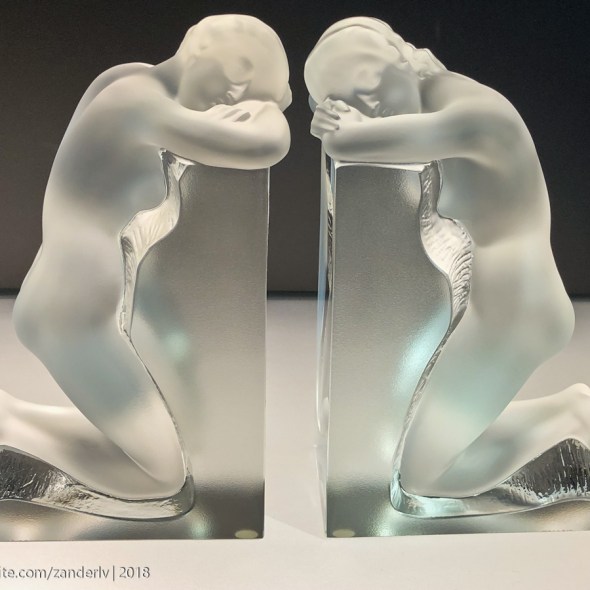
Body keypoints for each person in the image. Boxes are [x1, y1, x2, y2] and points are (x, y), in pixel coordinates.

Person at [3, 15, 290, 515]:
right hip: (70, 310)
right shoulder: (135, 101)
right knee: (161, 476)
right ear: (202, 49)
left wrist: (261, 100)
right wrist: (269, 110)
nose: (231, 98)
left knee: (146, 448)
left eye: (243, 93)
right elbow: (264, 145)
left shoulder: (127, 79)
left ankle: (9, 417)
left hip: (71, 301)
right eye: (235, 81)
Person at [305, 17, 589, 501]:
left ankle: (574, 420)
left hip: (520, 313)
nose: (369, 109)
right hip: (491, 308)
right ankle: (571, 408)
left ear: (404, 59)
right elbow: (360, 138)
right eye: (350, 101)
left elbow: (352, 140)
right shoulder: (436, 105)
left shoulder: (479, 114)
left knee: (426, 476)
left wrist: (337, 125)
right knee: (416, 441)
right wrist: (331, 116)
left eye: (370, 89)